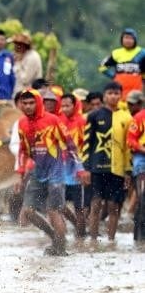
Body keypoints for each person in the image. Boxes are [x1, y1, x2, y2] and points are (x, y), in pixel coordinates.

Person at [16, 89, 88, 255]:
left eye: (31, 103)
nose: (28, 106)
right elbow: (23, 150)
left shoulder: (53, 120)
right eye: (24, 103)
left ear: (37, 103)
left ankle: (61, 249)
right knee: (28, 211)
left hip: (56, 172)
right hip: (38, 172)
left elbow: (70, 145)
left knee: (53, 210)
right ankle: (55, 238)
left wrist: (80, 168)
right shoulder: (22, 123)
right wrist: (20, 175)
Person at [84, 82, 132, 243]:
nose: (113, 96)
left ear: (121, 96)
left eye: (116, 93)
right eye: (110, 93)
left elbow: (128, 146)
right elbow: (87, 143)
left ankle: (111, 241)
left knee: (114, 206)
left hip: (117, 169)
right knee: (95, 204)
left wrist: (128, 171)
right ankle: (93, 240)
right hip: (96, 168)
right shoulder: (94, 115)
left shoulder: (126, 117)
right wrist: (86, 168)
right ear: (104, 96)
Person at [59, 92, 89, 239]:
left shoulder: (82, 122)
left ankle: (81, 238)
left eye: (68, 106)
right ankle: (77, 229)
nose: (65, 109)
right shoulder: (59, 121)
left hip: (78, 169)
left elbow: (86, 145)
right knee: (60, 205)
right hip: (62, 170)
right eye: (63, 106)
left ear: (75, 105)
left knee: (79, 207)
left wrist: (84, 168)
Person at [99, 28, 145, 98]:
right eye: (126, 38)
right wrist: (113, 76)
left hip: (136, 92)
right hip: (119, 92)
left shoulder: (142, 53)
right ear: (122, 39)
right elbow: (101, 66)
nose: (128, 40)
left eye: (131, 38)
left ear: (135, 40)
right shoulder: (116, 53)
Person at [127, 98, 145, 244]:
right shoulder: (140, 117)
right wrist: (142, 148)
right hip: (142, 161)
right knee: (143, 199)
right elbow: (130, 139)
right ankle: (139, 240)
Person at [11, 32, 42, 97]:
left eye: (18, 44)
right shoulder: (23, 56)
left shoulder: (32, 57)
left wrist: (18, 62)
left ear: (24, 45)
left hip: (28, 96)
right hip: (20, 95)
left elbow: (25, 79)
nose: (15, 47)